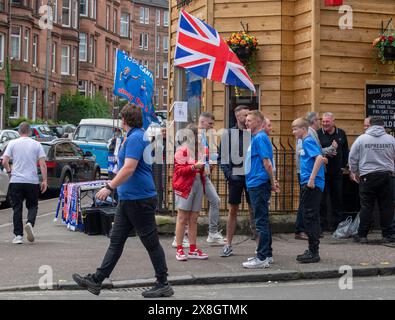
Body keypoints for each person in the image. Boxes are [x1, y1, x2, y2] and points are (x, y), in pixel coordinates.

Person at [72, 104, 174, 298]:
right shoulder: (135, 136)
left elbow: (129, 168)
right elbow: (123, 169)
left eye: (121, 118)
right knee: (116, 241)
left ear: (124, 120)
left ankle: (163, 283)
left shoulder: (136, 137)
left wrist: (110, 187)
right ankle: (97, 280)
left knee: (150, 242)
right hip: (129, 199)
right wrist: (112, 184)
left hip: (140, 199)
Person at [242, 110, 279, 269]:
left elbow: (267, 163)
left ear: (258, 122)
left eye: (249, 120)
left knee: (260, 221)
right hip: (256, 182)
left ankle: (262, 257)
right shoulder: (256, 138)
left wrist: (272, 182)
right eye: (246, 120)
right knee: (262, 219)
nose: (246, 123)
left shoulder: (260, 137)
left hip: (258, 183)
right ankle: (267, 254)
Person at [349, 116, 395, 243]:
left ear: (371, 125)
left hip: (367, 176)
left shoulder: (361, 139)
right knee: (386, 206)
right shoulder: (391, 139)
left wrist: (355, 171)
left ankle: (362, 235)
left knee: (366, 206)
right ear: (382, 126)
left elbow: (352, 157)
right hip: (387, 175)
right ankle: (387, 234)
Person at [218, 105, 256, 258]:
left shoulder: (254, 134)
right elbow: (222, 157)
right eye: (244, 115)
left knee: (254, 210)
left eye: (249, 115)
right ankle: (228, 244)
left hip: (252, 176)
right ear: (237, 117)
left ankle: (259, 246)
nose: (247, 118)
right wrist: (229, 175)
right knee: (232, 210)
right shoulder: (229, 134)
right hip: (236, 176)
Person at [2, 122, 47, 245]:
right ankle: (29, 223)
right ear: (30, 132)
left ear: (19, 132)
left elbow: (4, 161)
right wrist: (44, 180)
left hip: (16, 181)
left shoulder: (12, 143)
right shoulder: (37, 144)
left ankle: (18, 236)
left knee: (17, 208)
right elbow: (42, 164)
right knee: (32, 205)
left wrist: (10, 171)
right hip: (32, 181)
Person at [295, 112, 337, 240]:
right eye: (319, 120)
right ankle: (306, 232)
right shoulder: (310, 135)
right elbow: (317, 155)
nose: (321, 122)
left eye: (294, 129)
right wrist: (328, 151)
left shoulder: (306, 137)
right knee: (308, 207)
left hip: (307, 175)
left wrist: (321, 158)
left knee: (308, 206)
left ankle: (310, 234)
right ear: (314, 121)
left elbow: (312, 154)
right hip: (310, 177)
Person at [292, 118, 326, 263]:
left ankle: (314, 252)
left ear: (303, 129)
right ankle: (312, 249)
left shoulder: (308, 141)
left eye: (295, 129)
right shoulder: (305, 142)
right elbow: (321, 158)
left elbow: (319, 158)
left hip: (312, 184)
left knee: (309, 217)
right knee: (310, 216)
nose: (293, 132)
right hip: (309, 183)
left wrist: (312, 179)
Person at [173, 123, 209, 261]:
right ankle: (180, 249)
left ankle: (193, 249)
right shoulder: (182, 150)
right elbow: (179, 170)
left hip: (198, 183)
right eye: (198, 134)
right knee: (182, 218)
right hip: (185, 186)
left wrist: (205, 167)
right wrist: (194, 167)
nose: (201, 137)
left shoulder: (199, 150)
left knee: (194, 219)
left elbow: (201, 167)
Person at [317, 112, 349, 231]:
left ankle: (337, 225)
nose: (324, 124)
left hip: (337, 172)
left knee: (337, 198)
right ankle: (322, 225)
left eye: (327, 122)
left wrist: (344, 165)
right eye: (323, 121)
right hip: (322, 171)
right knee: (322, 199)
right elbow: (316, 150)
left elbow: (346, 150)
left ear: (333, 122)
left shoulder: (341, 133)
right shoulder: (318, 133)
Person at [198, 112, 226, 245]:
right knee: (191, 207)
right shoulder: (196, 135)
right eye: (210, 123)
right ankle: (182, 236)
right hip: (195, 175)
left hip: (203, 175)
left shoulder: (204, 135)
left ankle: (212, 233)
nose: (212, 126)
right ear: (202, 122)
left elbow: (205, 156)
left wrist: (212, 161)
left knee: (215, 201)